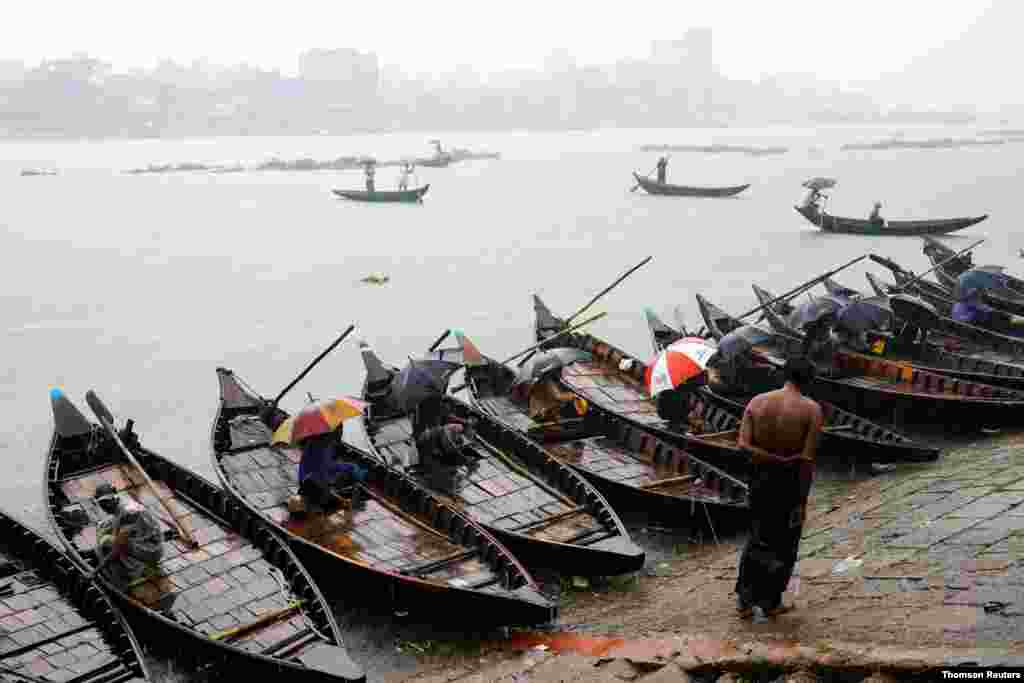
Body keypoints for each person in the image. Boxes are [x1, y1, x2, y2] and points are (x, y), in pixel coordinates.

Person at [735, 357, 823, 624]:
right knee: (785, 543)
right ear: (808, 380)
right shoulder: (811, 410)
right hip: (790, 482)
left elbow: (743, 445)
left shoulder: (757, 402)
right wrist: (803, 501)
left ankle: (745, 601)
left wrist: (769, 457)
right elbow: (807, 460)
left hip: (760, 479)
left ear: (784, 375)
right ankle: (771, 603)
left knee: (757, 537)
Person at [94, 483, 164, 583]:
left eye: (107, 501)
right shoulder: (123, 502)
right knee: (102, 526)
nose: (105, 506)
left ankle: (130, 573)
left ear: (114, 498)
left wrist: (95, 572)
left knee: (106, 542)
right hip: (146, 539)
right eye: (102, 503)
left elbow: (117, 548)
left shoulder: (129, 513)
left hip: (152, 551)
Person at [291, 428, 367, 515]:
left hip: (306, 482)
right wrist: (350, 466)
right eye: (339, 434)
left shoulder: (313, 441)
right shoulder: (325, 446)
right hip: (315, 486)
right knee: (351, 474)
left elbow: (314, 465)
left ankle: (338, 500)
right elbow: (327, 467)